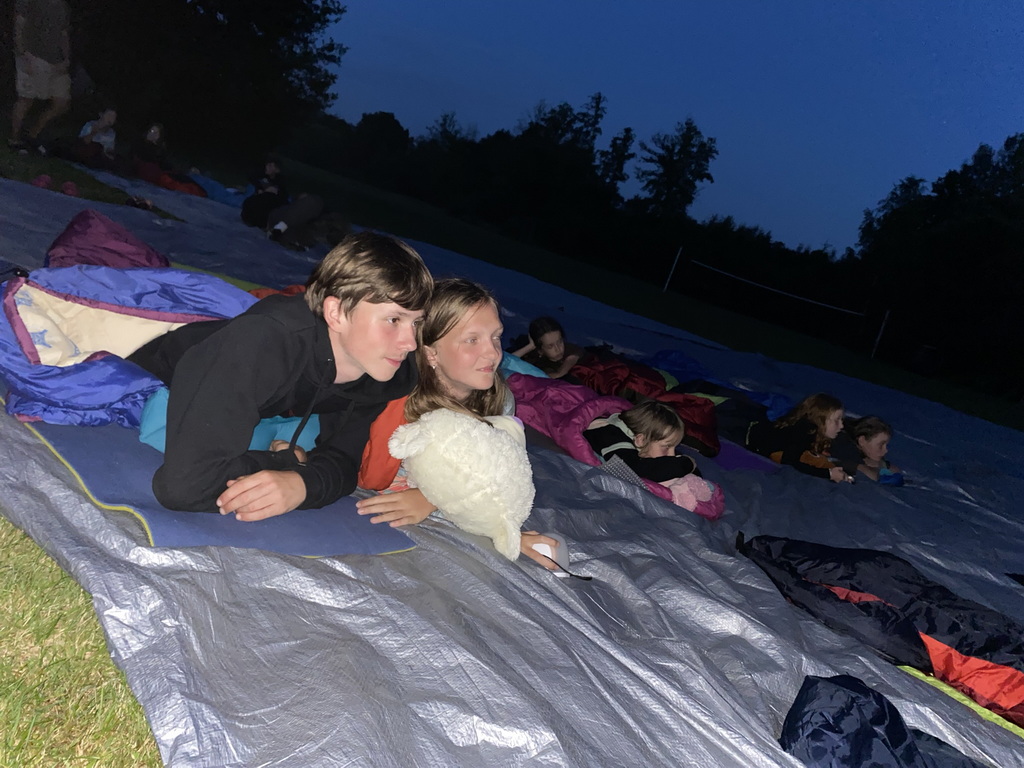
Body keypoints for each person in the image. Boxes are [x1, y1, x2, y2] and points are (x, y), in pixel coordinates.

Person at [126, 231, 434, 520]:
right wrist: (286, 464)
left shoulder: (385, 368)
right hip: (159, 377)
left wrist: (301, 485)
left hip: (271, 406)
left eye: (416, 323)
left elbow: (343, 459)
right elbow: (185, 486)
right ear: (337, 313)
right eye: (393, 320)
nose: (410, 343)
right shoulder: (263, 344)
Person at [354, 278, 560, 569]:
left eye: (496, 337)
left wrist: (434, 500)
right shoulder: (397, 399)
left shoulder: (500, 403)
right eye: (472, 340)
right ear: (431, 353)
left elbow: (493, 483)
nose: (493, 353)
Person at [583, 399, 701, 482]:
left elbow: (676, 461)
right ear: (641, 440)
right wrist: (685, 464)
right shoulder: (609, 436)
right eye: (666, 447)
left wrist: (688, 467)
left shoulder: (649, 438)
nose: (672, 454)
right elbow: (634, 470)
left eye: (674, 447)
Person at [745, 393, 853, 483]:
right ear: (820, 419)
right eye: (836, 420)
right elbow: (790, 462)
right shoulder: (804, 431)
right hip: (748, 435)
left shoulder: (809, 430)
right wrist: (828, 474)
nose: (841, 426)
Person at [9, 0, 71, 153]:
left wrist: (66, 58)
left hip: (55, 60)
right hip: (31, 56)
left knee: (62, 102)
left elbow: (63, 32)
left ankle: (32, 135)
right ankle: (14, 139)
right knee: (26, 99)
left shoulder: (62, 5)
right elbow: (19, 24)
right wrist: (23, 53)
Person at [241, 155, 324, 243]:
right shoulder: (261, 180)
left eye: (270, 166)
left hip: (281, 215)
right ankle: (280, 229)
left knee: (312, 203)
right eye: (267, 165)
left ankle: (280, 229)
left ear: (277, 170)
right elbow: (252, 178)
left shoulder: (280, 183)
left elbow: (284, 196)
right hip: (274, 215)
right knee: (314, 201)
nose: (267, 167)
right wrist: (261, 190)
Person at [830, 416, 903, 483]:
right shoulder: (843, 446)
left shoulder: (866, 450)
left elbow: (890, 469)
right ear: (862, 441)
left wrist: (883, 466)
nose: (886, 450)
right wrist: (861, 468)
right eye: (881, 445)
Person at [511, 316, 585, 379]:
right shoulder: (533, 363)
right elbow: (507, 363)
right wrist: (530, 347)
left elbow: (577, 352)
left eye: (560, 342)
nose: (558, 349)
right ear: (540, 350)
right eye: (550, 346)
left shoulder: (570, 350)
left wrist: (563, 369)